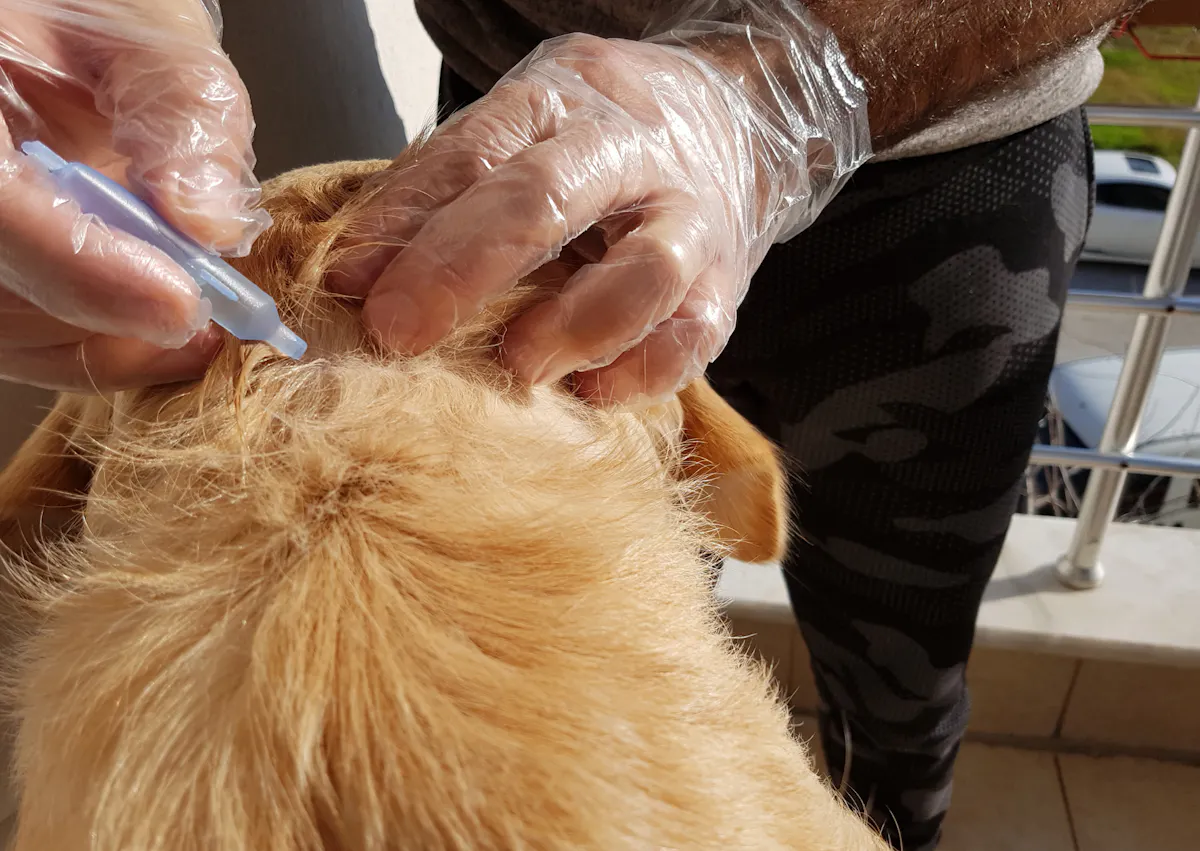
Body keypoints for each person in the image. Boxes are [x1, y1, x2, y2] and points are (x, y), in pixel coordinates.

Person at [0, 1, 1145, 848]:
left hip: (943, 189)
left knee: (900, 666)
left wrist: (782, 85)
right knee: (674, 604)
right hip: (521, 132)